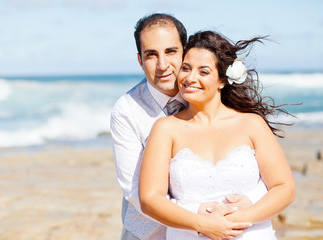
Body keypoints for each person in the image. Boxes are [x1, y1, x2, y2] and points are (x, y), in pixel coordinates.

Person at [110, 14, 267, 240]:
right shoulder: (126, 110)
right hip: (149, 234)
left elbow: (252, 166)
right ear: (139, 60)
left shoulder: (210, 92)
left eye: (171, 52)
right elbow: (134, 190)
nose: (162, 65)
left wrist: (243, 205)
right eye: (151, 55)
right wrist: (198, 218)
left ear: (185, 50)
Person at [139, 30, 295, 239]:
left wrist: (241, 218)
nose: (190, 78)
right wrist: (202, 224)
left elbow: (284, 188)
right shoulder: (166, 129)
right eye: (186, 68)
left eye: (203, 72)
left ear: (222, 80)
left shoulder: (251, 124)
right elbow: (149, 199)